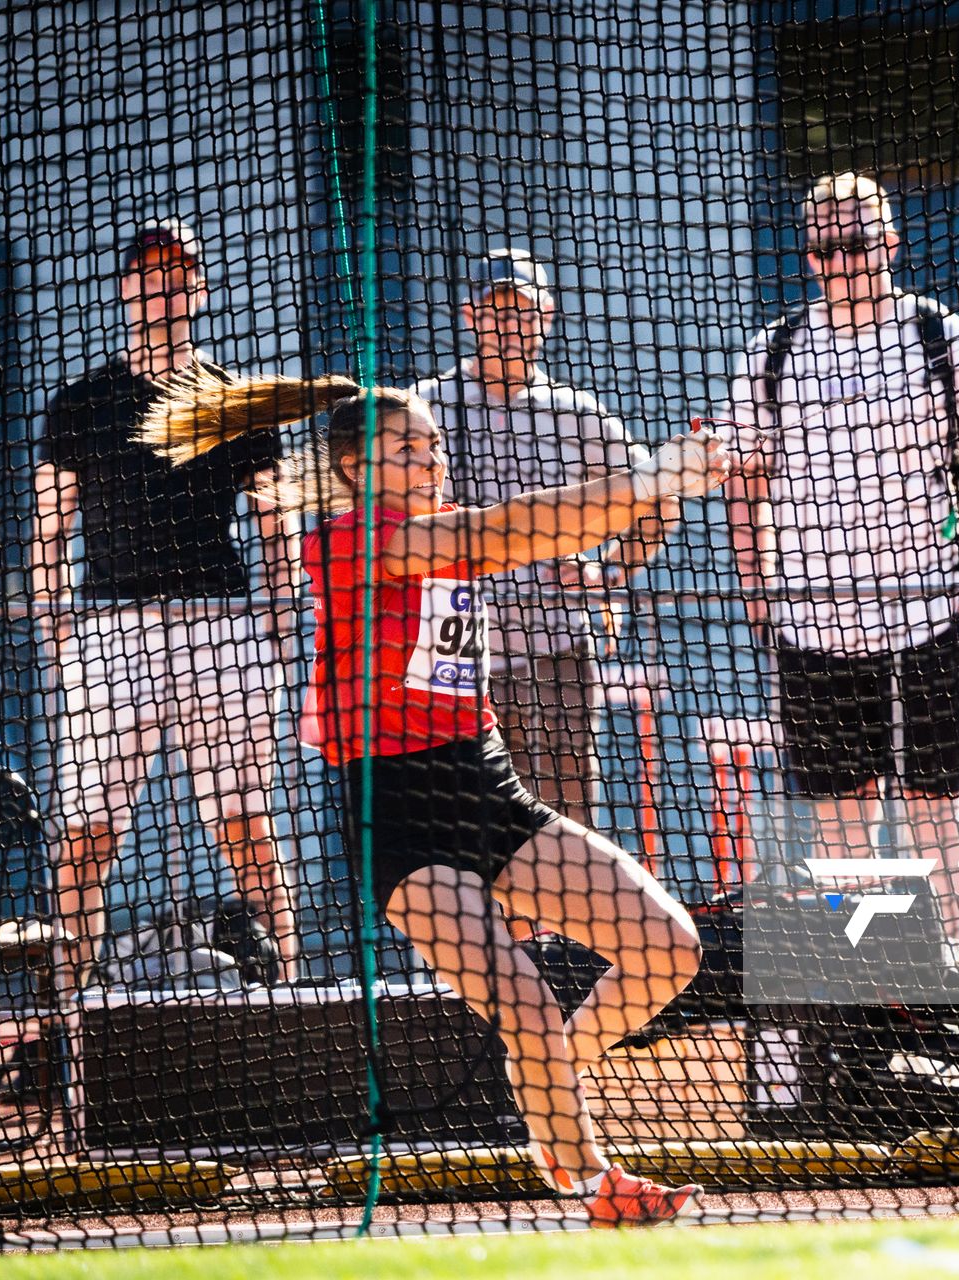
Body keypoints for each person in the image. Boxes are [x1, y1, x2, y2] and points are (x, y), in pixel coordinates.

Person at [138, 371, 725, 1227]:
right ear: (353, 468)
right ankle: (596, 1184)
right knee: (522, 998)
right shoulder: (348, 539)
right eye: (406, 448)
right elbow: (501, 533)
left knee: (669, 949)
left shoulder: (429, 528)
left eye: (433, 445)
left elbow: (529, 531)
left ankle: (549, 1071)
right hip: (397, 814)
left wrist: (655, 493)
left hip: (486, 786)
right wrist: (647, 482)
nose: (429, 457)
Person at [724, 172, 959, 972]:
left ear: (890, 242)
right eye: (824, 246)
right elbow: (744, 476)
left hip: (924, 610)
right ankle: (866, 969)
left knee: (936, 802)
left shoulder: (939, 336)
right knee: (838, 813)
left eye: (857, 241)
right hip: (813, 618)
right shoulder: (777, 349)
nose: (841, 257)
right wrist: (757, 591)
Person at [31, 220, 302, 1000]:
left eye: (180, 273)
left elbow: (276, 523)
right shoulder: (81, 404)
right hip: (112, 630)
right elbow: (49, 529)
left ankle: (291, 982)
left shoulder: (238, 401)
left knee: (247, 827)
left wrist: (280, 627)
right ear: (125, 288)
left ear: (200, 290)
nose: (164, 285)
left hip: (222, 626)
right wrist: (59, 635)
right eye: (150, 273)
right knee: (87, 836)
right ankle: (69, 1005)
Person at [411, 250, 675, 823]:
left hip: (557, 648)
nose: (508, 325)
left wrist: (609, 575)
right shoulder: (425, 408)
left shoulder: (576, 414)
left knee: (567, 820)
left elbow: (660, 501)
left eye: (522, 311)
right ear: (467, 315)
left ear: (546, 317)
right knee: (473, 823)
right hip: (457, 654)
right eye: (494, 309)